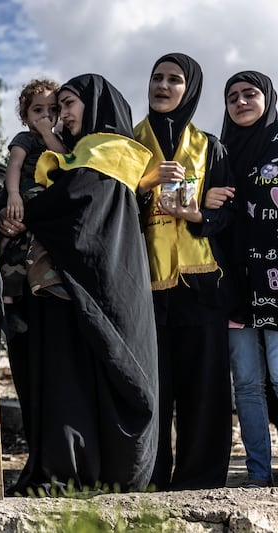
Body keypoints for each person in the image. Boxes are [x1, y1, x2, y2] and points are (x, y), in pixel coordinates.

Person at [3, 74, 158, 495]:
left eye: (69, 104)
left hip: (89, 291)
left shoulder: (107, 150)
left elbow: (73, 205)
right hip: (71, 290)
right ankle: (67, 467)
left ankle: (73, 469)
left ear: (95, 105)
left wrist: (26, 214)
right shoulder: (81, 152)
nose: (63, 115)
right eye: (59, 106)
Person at [133, 53, 233, 490]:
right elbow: (108, 208)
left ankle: (200, 479)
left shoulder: (211, 147)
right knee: (152, 389)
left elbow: (227, 211)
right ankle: (150, 476)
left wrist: (199, 216)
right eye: (157, 77)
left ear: (189, 88)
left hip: (200, 284)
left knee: (205, 388)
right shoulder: (128, 144)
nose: (163, 85)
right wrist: (144, 183)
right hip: (143, 284)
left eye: (175, 79)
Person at [208, 71, 278, 488]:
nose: (240, 101)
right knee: (248, 385)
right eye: (232, 96)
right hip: (233, 285)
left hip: (274, 280)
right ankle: (258, 474)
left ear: (267, 98)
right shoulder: (220, 152)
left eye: (249, 93)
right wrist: (206, 199)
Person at [0, 79, 66, 333]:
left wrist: (49, 134)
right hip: (26, 197)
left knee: (39, 245)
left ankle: (46, 281)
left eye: (52, 110)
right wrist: (13, 194)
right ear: (25, 116)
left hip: (47, 205)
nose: (46, 116)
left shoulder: (59, 139)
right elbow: (14, 165)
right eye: (38, 110)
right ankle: (9, 304)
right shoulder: (24, 139)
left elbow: (63, 158)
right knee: (13, 251)